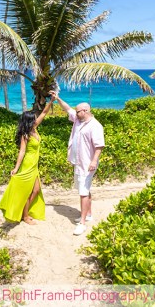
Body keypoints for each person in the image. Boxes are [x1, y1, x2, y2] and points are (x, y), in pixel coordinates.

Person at [0, 94, 56, 225]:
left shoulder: (34, 128)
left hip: (34, 165)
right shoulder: (26, 135)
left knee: (36, 190)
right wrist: (16, 168)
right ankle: (25, 216)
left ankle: (25, 212)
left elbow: (44, 113)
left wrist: (51, 101)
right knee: (26, 191)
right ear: (29, 121)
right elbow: (22, 151)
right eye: (34, 118)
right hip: (28, 165)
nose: (36, 119)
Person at [54, 93, 105, 236]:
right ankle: (88, 214)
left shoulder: (95, 126)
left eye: (78, 111)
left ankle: (82, 224)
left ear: (85, 111)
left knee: (83, 192)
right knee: (85, 189)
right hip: (78, 161)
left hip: (87, 164)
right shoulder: (78, 120)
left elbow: (99, 146)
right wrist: (57, 98)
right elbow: (67, 109)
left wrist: (94, 161)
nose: (75, 113)